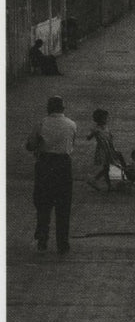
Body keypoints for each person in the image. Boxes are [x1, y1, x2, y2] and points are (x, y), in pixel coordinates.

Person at [25, 95, 76, 254]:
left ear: (48, 108)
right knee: (63, 206)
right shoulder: (71, 124)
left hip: (45, 165)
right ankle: (63, 243)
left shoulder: (41, 124)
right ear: (63, 108)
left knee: (43, 204)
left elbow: (31, 145)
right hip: (63, 166)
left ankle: (42, 240)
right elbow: (72, 143)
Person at [86, 107, 123, 191]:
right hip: (103, 150)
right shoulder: (97, 129)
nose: (106, 120)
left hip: (108, 149)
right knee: (106, 168)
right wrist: (92, 134)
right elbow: (89, 136)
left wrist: (113, 148)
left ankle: (100, 181)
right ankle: (101, 182)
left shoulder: (105, 128)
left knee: (106, 168)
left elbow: (110, 139)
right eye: (104, 118)